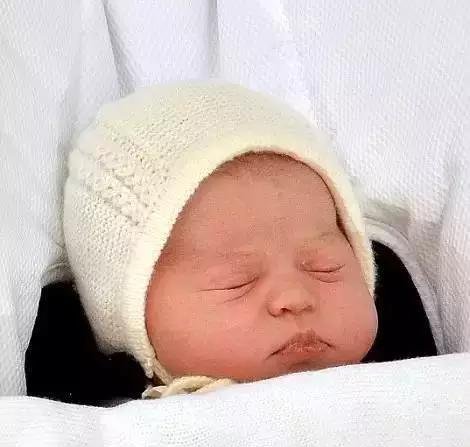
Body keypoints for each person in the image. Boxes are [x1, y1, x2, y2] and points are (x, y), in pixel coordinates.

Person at [63, 80, 378, 399]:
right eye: (237, 282)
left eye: (325, 268)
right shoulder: (114, 427)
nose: (295, 298)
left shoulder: (404, 383)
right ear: (133, 320)